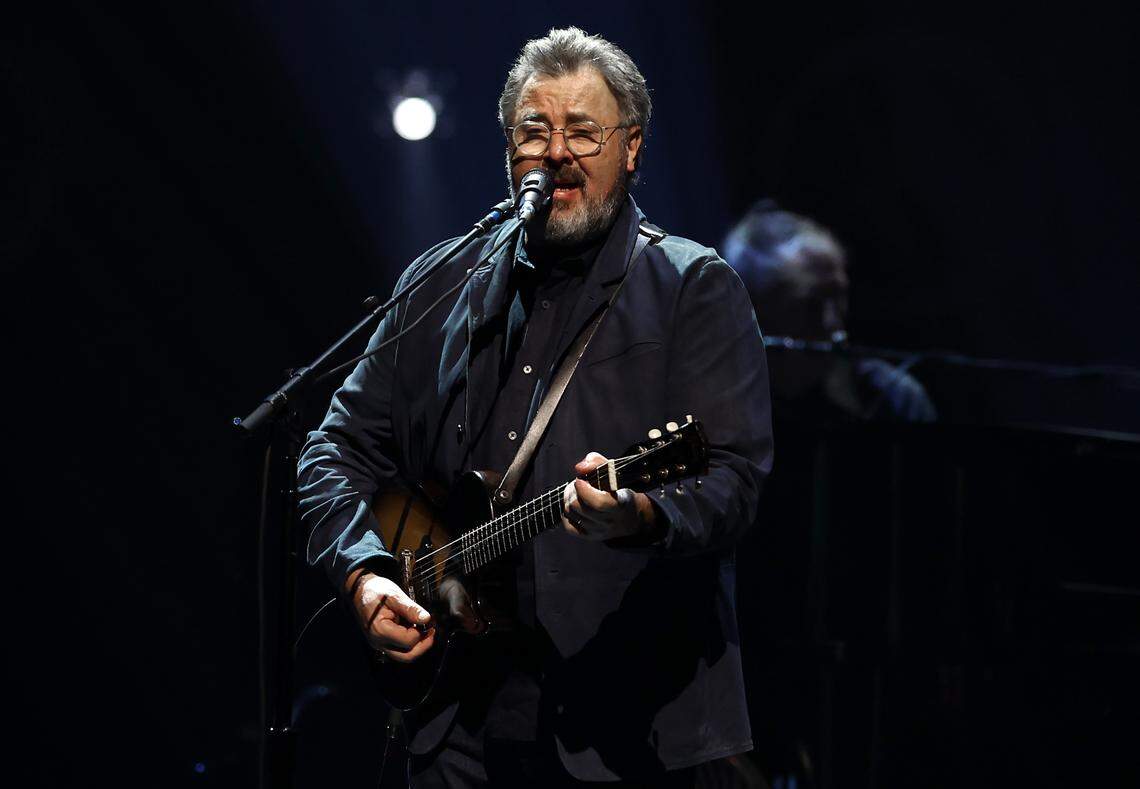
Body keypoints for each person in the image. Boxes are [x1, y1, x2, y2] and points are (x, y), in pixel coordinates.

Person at [298, 27, 773, 787]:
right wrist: (363, 573)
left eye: (583, 132)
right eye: (533, 132)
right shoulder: (439, 282)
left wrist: (643, 515)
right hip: (452, 723)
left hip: (624, 729)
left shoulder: (692, 287)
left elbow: (734, 479)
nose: (555, 153)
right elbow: (335, 447)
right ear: (508, 152)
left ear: (632, 149)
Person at [722, 201, 936, 423]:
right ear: (756, 309)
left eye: (838, 296)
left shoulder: (891, 397)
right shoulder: (723, 409)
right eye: (810, 304)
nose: (831, 322)